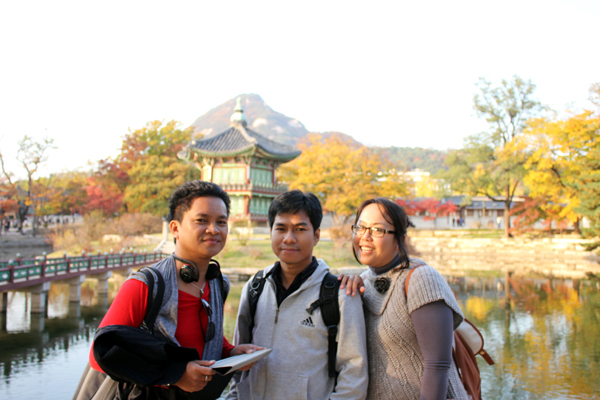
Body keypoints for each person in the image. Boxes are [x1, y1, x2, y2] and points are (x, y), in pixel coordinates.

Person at [86, 180, 261, 399]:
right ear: (175, 228)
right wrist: (174, 374)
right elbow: (100, 354)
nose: (213, 229)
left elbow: (208, 339)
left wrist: (231, 352)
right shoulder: (145, 285)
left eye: (221, 222)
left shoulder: (218, 283)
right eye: (201, 220)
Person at [226, 190, 368, 400]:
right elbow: (238, 361)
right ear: (271, 231)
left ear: (317, 235)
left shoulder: (340, 294)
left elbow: (354, 372)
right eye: (281, 228)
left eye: (300, 229)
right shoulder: (255, 287)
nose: (289, 238)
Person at [340, 197, 468, 400]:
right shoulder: (361, 282)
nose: (365, 237)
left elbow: (438, 364)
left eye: (377, 230)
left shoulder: (421, 279)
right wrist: (347, 295)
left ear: (399, 239)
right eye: (361, 228)